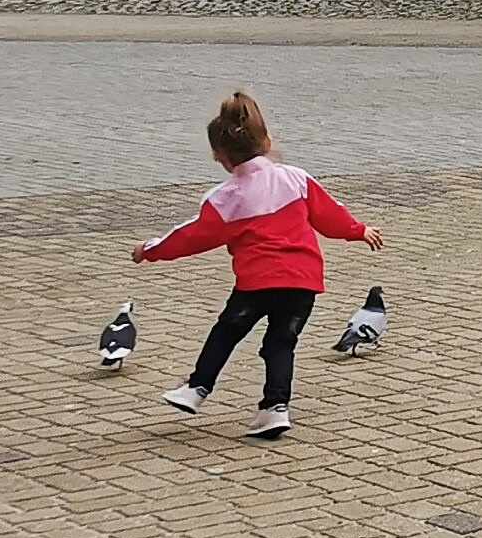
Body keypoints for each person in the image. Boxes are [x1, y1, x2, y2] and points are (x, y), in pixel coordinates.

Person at [132, 90, 382, 440]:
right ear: (267, 140)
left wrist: (150, 250)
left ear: (219, 157)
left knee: (227, 332)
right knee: (280, 344)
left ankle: (197, 388)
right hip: (302, 282)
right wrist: (359, 230)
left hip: (257, 284)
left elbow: (190, 237)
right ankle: (275, 409)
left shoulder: (226, 198)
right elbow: (330, 215)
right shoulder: (296, 178)